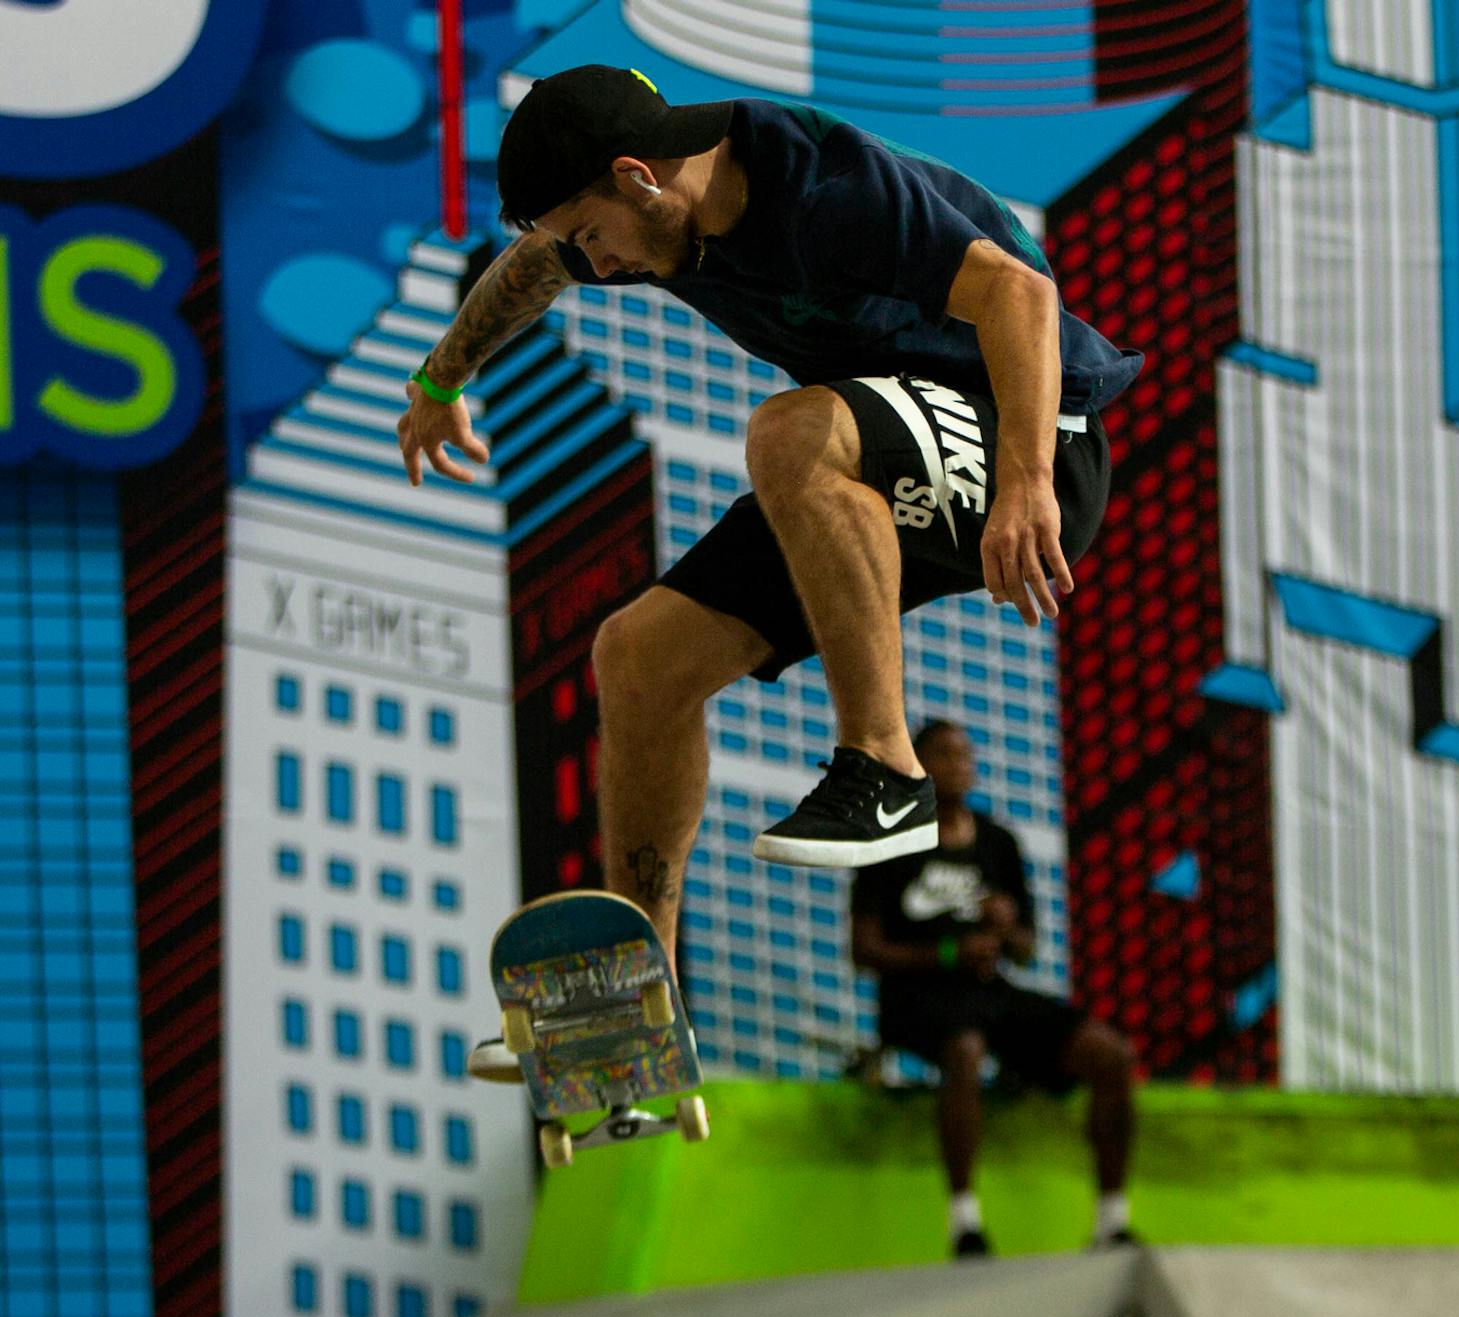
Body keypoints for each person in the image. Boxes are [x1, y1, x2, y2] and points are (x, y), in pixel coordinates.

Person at [396, 69, 1139, 1079]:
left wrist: (1026, 485)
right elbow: (529, 266)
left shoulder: (822, 187)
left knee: (791, 433)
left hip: (1033, 434)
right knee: (638, 657)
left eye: (592, 235)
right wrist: (441, 379)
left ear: (638, 176)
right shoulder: (642, 217)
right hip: (877, 454)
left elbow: (1020, 290)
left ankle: (887, 771)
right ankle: (632, 1006)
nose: (595, 265)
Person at [849, 720, 1138, 1257]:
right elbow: (864, 951)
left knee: (1111, 1054)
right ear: (914, 765)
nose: (958, 765)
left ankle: (1112, 1222)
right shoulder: (887, 839)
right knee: (965, 1048)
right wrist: (950, 953)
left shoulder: (999, 842)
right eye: (943, 755)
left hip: (989, 992)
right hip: (916, 997)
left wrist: (1006, 929)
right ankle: (965, 1222)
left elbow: (1026, 951)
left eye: (965, 755)